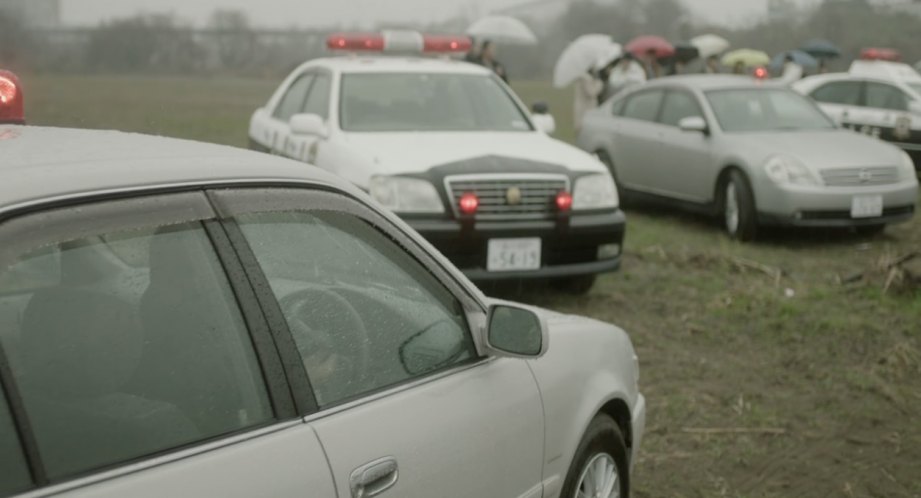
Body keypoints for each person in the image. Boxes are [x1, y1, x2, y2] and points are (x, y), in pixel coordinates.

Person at [573, 69, 603, 135]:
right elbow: (592, 92)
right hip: (585, 109)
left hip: (581, 108)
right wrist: (599, 84)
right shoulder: (585, 78)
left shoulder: (581, 77)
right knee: (584, 131)